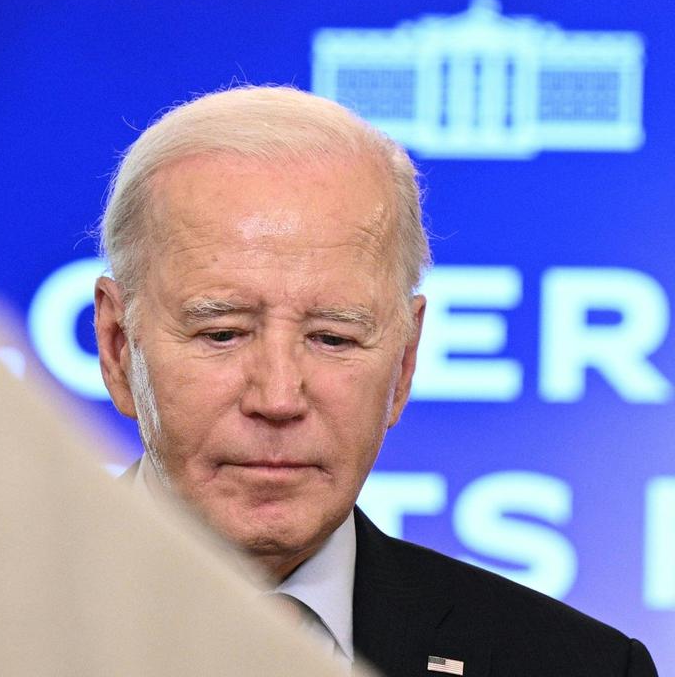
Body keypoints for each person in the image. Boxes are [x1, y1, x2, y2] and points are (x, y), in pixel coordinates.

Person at [93, 85, 657, 676]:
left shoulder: (578, 666)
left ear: (405, 362)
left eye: (332, 338)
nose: (279, 398)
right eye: (223, 333)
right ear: (118, 347)